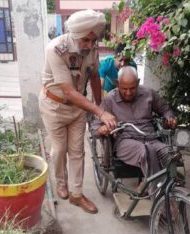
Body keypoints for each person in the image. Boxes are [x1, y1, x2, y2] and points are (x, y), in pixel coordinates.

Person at [39, 10, 116, 214]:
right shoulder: (56, 49)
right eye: (86, 40)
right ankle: (61, 182)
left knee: (77, 151)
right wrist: (100, 113)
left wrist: (101, 106)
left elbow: (93, 77)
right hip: (54, 106)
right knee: (59, 150)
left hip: (78, 108)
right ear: (75, 35)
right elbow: (68, 91)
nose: (90, 45)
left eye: (94, 40)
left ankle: (76, 194)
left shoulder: (92, 48)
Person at [95, 66, 177, 195]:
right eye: (124, 89)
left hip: (151, 137)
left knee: (171, 154)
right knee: (146, 152)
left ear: (138, 83)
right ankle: (159, 200)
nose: (128, 92)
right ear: (117, 84)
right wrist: (102, 129)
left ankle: (148, 182)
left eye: (132, 88)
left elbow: (165, 109)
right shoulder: (109, 99)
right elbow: (95, 127)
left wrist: (169, 117)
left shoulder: (149, 93)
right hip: (125, 142)